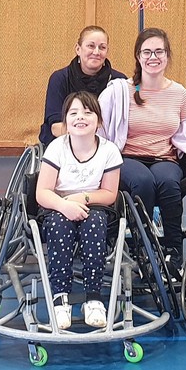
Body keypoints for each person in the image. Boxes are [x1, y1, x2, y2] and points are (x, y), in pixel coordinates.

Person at [98, 28, 186, 274]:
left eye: (159, 51)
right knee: (143, 181)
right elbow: (100, 130)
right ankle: (146, 250)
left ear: (167, 55)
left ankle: (173, 254)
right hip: (127, 156)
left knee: (169, 183)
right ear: (138, 57)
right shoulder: (119, 91)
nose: (153, 57)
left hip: (164, 157)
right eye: (147, 52)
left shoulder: (179, 94)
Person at [36, 91, 122, 330]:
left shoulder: (109, 151)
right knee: (58, 224)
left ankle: (93, 298)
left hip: (93, 205)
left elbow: (109, 194)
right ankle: (60, 298)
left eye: (87, 112)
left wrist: (81, 198)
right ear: (65, 122)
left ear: (99, 121)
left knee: (95, 223)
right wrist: (65, 205)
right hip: (57, 205)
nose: (80, 117)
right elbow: (42, 192)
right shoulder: (56, 148)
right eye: (73, 113)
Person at [39, 26, 126, 145]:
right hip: (65, 143)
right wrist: (86, 141)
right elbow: (56, 127)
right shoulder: (59, 79)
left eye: (102, 47)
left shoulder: (119, 81)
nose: (96, 52)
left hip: (105, 145)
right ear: (78, 49)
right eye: (91, 46)